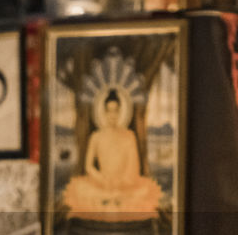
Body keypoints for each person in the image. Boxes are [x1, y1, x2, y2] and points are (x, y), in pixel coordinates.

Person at [62, 88, 163, 221]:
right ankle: (112, 201)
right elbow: (89, 167)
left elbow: (134, 168)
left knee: (145, 190)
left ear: (121, 112)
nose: (112, 115)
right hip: (102, 184)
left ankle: (111, 201)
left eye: (115, 111)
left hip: (125, 186)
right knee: (79, 189)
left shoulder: (129, 136)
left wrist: (120, 182)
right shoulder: (96, 137)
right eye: (109, 111)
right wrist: (103, 180)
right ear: (103, 112)